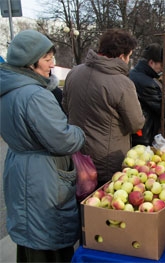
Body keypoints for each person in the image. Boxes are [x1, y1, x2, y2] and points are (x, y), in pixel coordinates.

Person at [0, 30, 85, 262]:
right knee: (47, 237)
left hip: (20, 167)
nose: (52, 64)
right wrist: (78, 131)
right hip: (43, 176)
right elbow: (63, 139)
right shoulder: (35, 95)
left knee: (30, 234)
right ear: (30, 62)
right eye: (47, 59)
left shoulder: (8, 89)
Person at [62, 28, 145, 187]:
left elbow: (66, 107)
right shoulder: (122, 83)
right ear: (122, 56)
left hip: (77, 153)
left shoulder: (74, 73)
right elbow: (136, 123)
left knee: (80, 198)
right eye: (129, 56)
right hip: (108, 160)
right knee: (102, 204)